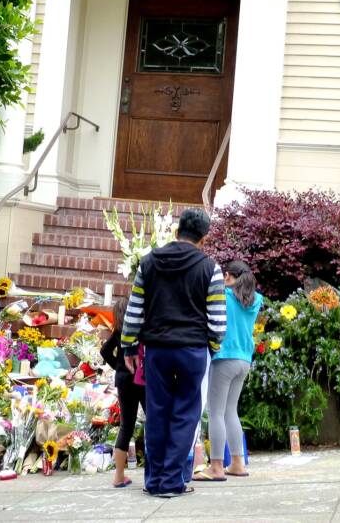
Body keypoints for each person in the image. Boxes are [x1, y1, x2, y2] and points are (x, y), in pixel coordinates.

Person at [120, 208, 226, 498]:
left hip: (157, 350)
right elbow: (217, 320)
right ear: (204, 238)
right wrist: (213, 347)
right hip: (193, 350)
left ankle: (153, 480)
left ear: (177, 231)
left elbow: (134, 309)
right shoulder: (210, 268)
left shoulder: (148, 262)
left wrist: (129, 345)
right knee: (185, 414)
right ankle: (172, 482)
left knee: (156, 412)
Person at [194, 260, 262, 482]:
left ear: (230, 277)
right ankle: (237, 463)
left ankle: (216, 467)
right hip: (244, 361)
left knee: (215, 412)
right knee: (230, 411)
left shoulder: (224, 296)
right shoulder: (256, 300)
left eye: (225, 276)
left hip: (224, 358)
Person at [99, 294, 145, 488]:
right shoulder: (140, 331)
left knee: (126, 425)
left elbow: (104, 351)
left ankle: (119, 475)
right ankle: (154, 470)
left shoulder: (117, 332)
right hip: (141, 378)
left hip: (123, 380)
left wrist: (118, 366)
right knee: (152, 420)